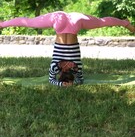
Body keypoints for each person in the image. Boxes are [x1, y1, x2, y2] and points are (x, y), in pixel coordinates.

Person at [0, 11, 135, 87]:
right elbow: (52, 79)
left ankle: (125, 23)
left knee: (102, 22)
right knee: (101, 22)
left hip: (71, 20)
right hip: (64, 20)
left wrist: (69, 83)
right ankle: (125, 23)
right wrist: (62, 84)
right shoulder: (55, 67)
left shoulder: (77, 68)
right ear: (61, 74)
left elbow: (79, 79)